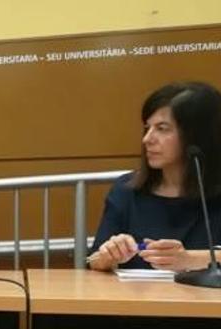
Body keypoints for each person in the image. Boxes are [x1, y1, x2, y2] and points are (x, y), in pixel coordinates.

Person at [89, 82, 221, 272]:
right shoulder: (127, 189)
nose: (147, 139)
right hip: (138, 299)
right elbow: (94, 260)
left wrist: (190, 259)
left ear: (197, 136)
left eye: (162, 128)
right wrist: (107, 256)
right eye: (147, 128)